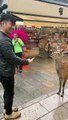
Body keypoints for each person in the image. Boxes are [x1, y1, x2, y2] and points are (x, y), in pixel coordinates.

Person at [0, 13, 34, 120]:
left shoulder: (3, 37)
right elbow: (12, 58)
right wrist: (26, 62)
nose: (13, 27)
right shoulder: (4, 40)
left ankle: (7, 108)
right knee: (10, 92)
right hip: (6, 72)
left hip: (3, 69)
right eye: (11, 24)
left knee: (6, 91)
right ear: (3, 23)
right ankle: (9, 114)